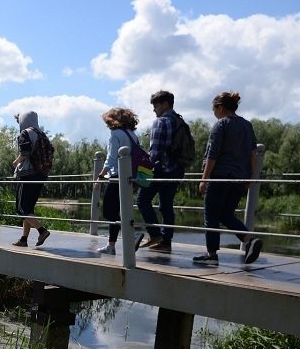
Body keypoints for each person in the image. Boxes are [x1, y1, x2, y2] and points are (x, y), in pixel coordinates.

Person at [194, 91, 262, 265]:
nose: (213, 112)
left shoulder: (221, 125)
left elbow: (212, 154)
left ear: (221, 107)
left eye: (213, 109)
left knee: (211, 215)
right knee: (225, 214)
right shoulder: (247, 125)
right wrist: (251, 177)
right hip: (239, 178)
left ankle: (211, 255)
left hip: (219, 178)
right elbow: (253, 153)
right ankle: (248, 239)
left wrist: (204, 179)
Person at [138, 90, 185, 252]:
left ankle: (154, 234)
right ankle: (166, 241)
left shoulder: (161, 121)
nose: (154, 110)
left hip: (162, 170)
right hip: (177, 170)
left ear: (165, 104)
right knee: (166, 206)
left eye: (156, 106)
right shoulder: (179, 121)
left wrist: (140, 173)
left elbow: (155, 153)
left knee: (142, 200)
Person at [94, 107, 143, 254]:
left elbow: (111, 158)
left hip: (117, 177)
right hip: (130, 176)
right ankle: (111, 246)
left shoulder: (115, 134)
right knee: (120, 210)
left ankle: (131, 235)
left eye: (107, 121)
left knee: (109, 211)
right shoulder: (132, 134)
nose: (107, 125)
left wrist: (100, 177)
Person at [11, 110, 51, 248]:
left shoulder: (25, 133)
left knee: (21, 208)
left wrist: (16, 162)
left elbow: (24, 153)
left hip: (26, 175)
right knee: (29, 209)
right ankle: (23, 239)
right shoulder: (41, 134)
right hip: (41, 175)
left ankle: (41, 230)